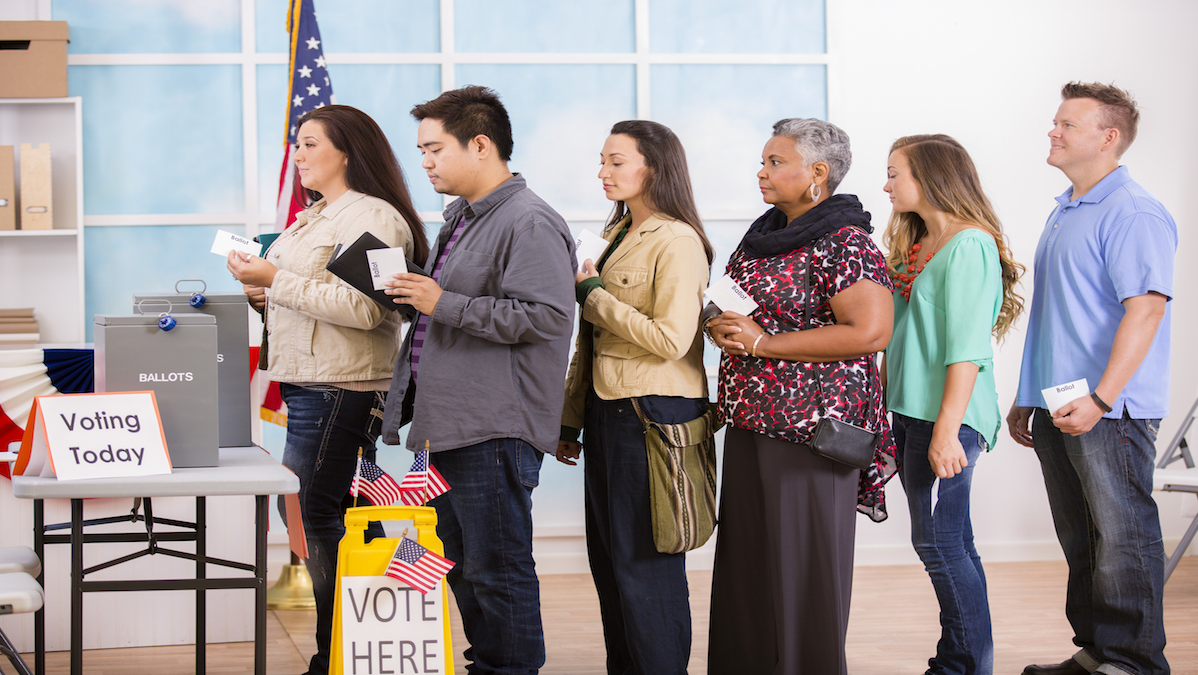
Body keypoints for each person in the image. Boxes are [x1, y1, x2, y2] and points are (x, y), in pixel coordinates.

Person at [379, 86, 576, 675]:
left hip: (495, 424)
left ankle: (510, 668)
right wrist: (418, 294)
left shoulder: (529, 220)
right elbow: (452, 307)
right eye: (422, 151)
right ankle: (489, 663)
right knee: (464, 562)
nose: (426, 162)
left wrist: (442, 302)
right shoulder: (462, 218)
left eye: (435, 148)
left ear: (481, 145)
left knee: (497, 565)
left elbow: (545, 318)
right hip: (451, 422)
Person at [226, 104, 429, 675]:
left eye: (311, 144)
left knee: (319, 517)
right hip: (310, 384)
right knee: (342, 514)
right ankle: (366, 645)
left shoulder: (375, 218)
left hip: (341, 387)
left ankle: (335, 654)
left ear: (347, 151)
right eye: (297, 144)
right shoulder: (311, 217)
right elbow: (304, 297)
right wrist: (261, 291)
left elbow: (370, 311)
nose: (299, 154)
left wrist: (277, 281)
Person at [705, 118, 897, 675]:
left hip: (810, 434)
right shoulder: (764, 234)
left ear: (817, 174)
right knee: (748, 569)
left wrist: (764, 342)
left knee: (802, 572)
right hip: (750, 424)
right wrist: (722, 326)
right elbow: (741, 305)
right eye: (763, 161)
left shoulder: (846, 241)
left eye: (775, 162)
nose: (761, 172)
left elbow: (870, 332)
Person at [1007, 82, 1176, 675]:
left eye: (1067, 125)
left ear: (1108, 138)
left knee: (1122, 536)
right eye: (1055, 122)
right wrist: (1027, 396)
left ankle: (1133, 661)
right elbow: (1059, 313)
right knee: (1081, 537)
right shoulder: (1067, 209)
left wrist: (1103, 398)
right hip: (1059, 401)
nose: (1053, 131)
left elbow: (1146, 309)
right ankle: (1098, 652)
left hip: (1111, 408)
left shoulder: (1133, 212)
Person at [555, 120, 713, 675]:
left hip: (653, 414)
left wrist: (593, 296)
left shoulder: (677, 239)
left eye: (616, 161)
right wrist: (570, 420)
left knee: (646, 563)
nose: (603, 171)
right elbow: (591, 344)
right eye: (602, 160)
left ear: (655, 167)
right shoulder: (620, 233)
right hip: (609, 411)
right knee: (610, 561)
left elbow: (671, 339)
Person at [882, 134, 1025, 675]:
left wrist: (947, 429)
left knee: (939, 543)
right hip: (911, 412)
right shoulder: (920, 245)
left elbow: (967, 346)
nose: (887, 183)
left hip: (950, 418)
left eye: (896, 172)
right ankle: (959, 660)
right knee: (950, 543)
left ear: (932, 176)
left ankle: (965, 665)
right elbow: (900, 335)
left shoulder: (971, 245)